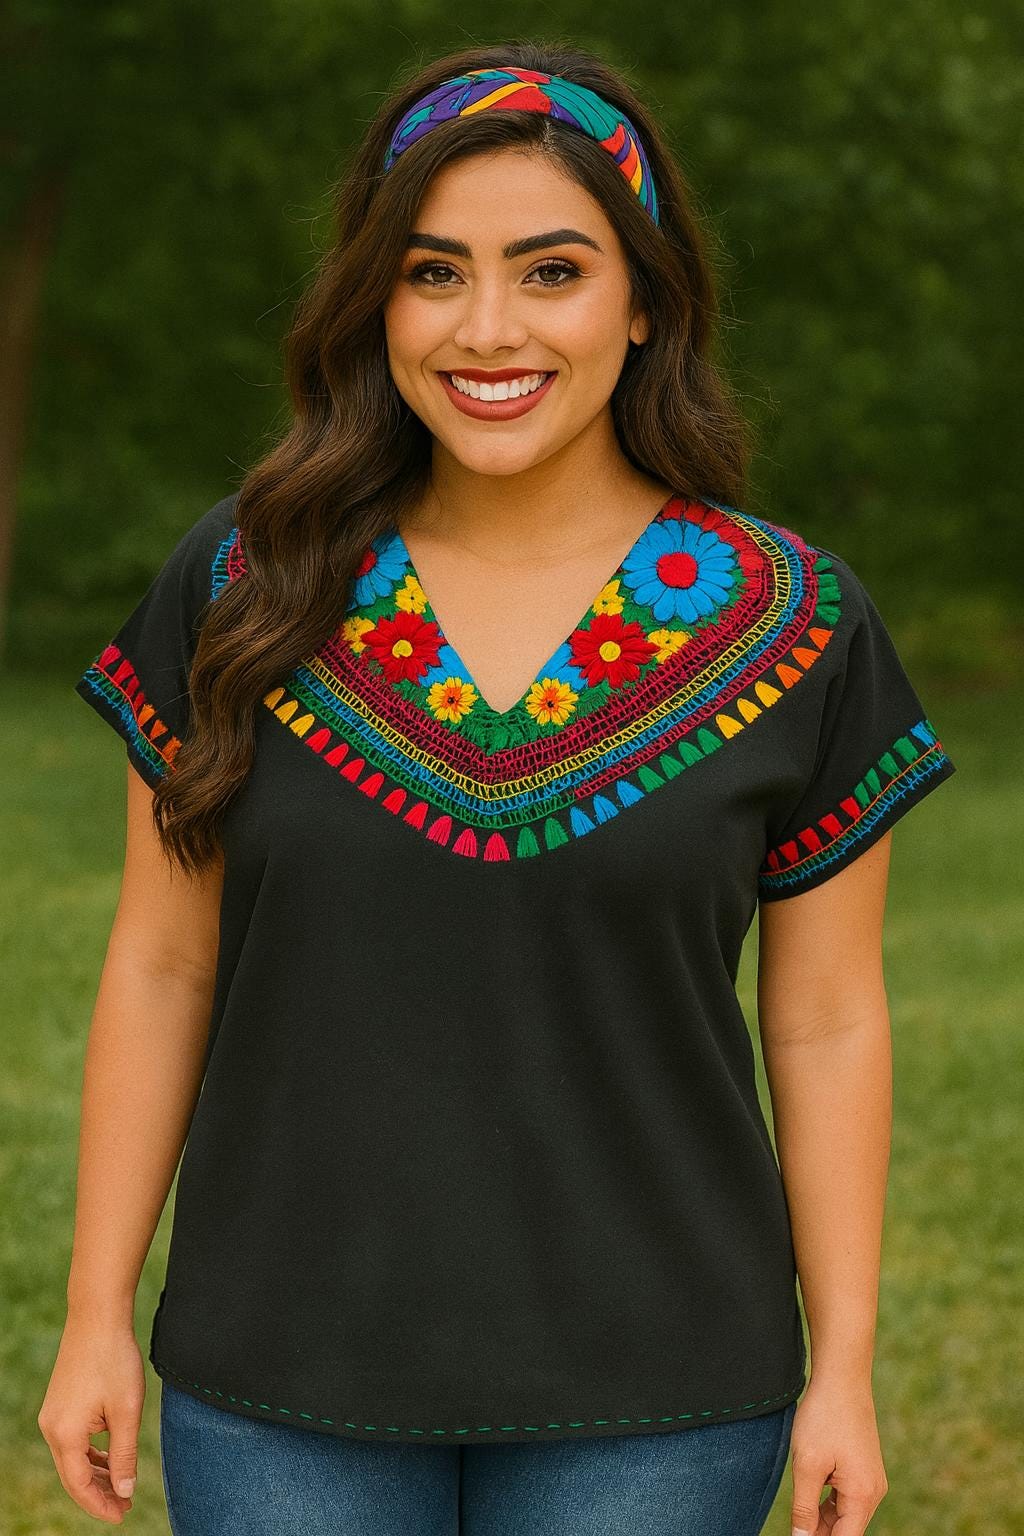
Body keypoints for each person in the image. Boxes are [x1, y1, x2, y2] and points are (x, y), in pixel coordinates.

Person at [40, 42, 957, 1536]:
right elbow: (158, 963)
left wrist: (843, 1364)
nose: (486, 328)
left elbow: (828, 1014)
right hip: (279, 1379)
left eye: (551, 272)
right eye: (432, 271)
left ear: (644, 299)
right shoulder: (245, 582)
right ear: (373, 301)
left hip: (664, 1391)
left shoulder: (791, 620)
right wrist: (94, 1307)